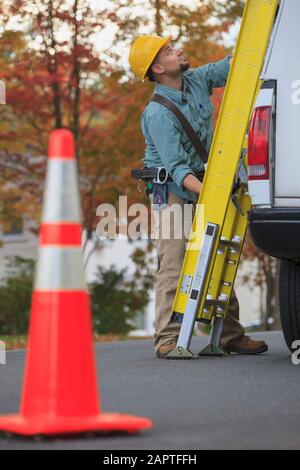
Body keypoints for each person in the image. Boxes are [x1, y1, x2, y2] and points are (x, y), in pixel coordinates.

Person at [129, 34, 268, 358]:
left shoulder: (194, 80)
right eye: (167, 51)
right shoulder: (158, 113)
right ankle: (167, 338)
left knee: (219, 251)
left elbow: (230, 69)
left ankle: (230, 335)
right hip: (171, 188)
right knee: (175, 259)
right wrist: (212, 192)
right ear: (158, 69)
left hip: (201, 180)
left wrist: (259, 33)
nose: (176, 50)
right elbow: (177, 170)